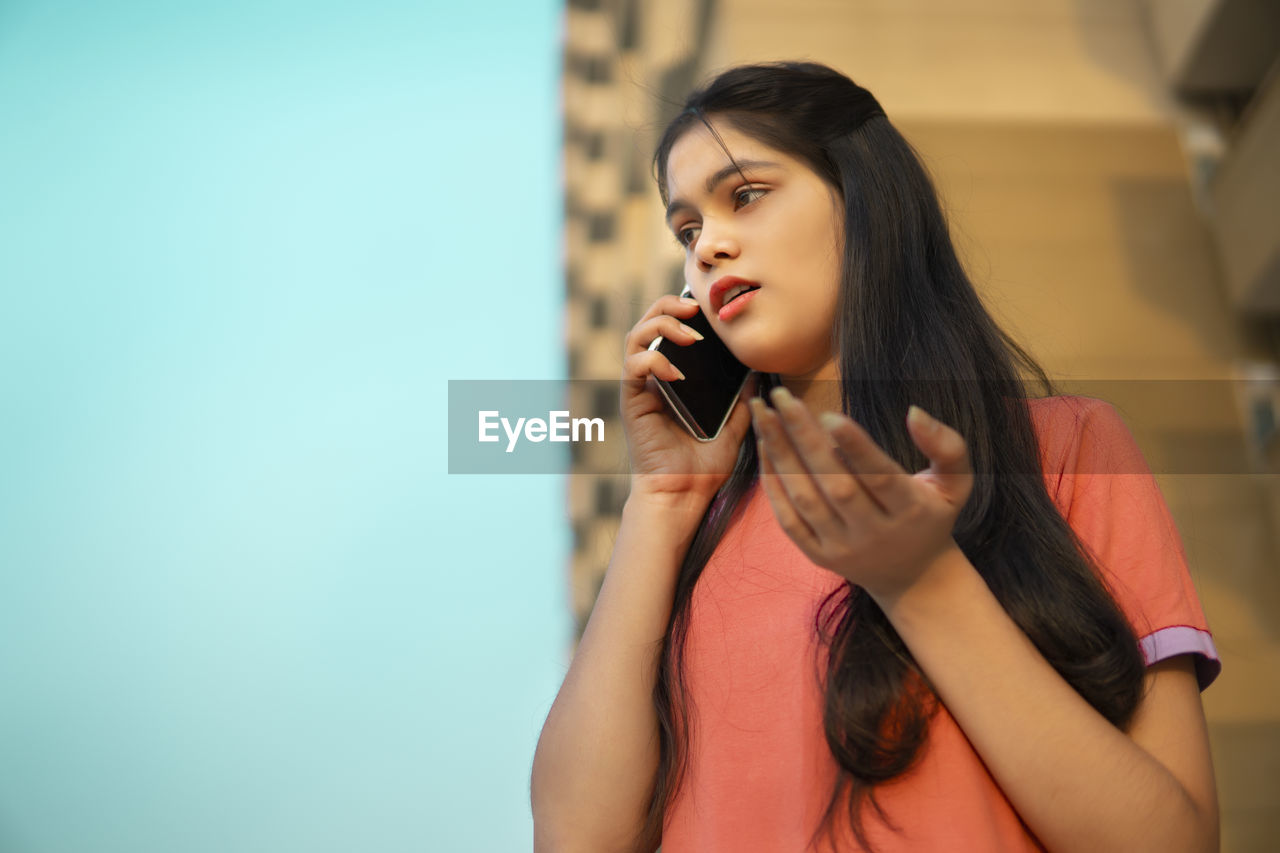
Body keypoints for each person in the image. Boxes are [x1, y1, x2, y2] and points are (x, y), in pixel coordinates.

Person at [531, 61, 1221, 852]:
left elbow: (1173, 838)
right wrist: (661, 503)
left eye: (745, 196)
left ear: (863, 200)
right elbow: (574, 837)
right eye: (686, 231)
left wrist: (923, 584)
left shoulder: (1069, 448)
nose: (708, 247)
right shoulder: (689, 530)